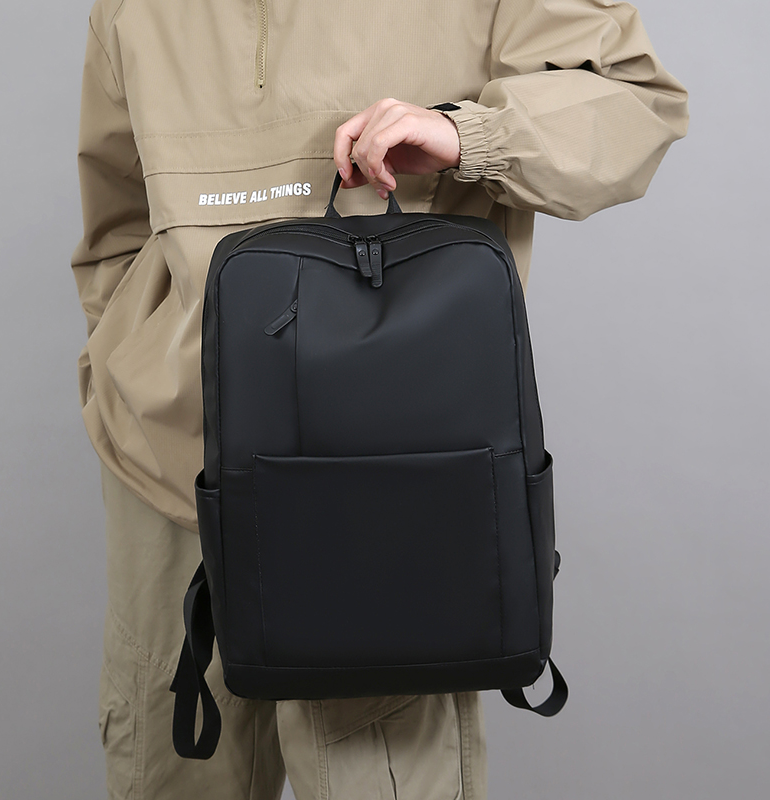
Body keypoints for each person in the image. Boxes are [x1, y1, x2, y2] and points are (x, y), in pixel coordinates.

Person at [71, 1, 689, 797]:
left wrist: (469, 135)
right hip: (166, 466)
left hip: (385, 483)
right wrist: (128, 351)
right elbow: (118, 224)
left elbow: (633, 102)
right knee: (167, 772)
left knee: (382, 776)